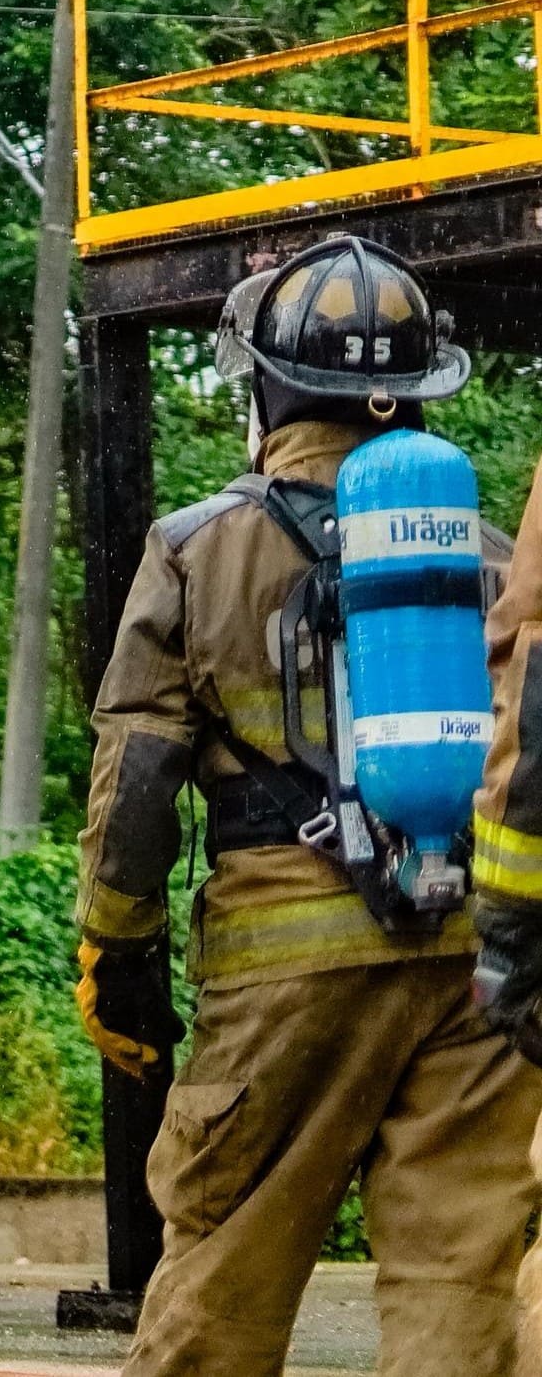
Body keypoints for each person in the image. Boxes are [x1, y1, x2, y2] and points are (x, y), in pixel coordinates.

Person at [76, 234, 537, 1375]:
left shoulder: (195, 548)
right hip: (465, 953)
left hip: (284, 965)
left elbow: (136, 784)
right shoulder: (487, 558)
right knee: (453, 1271)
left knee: (226, 1261)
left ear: (267, 385)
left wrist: (116, 951)